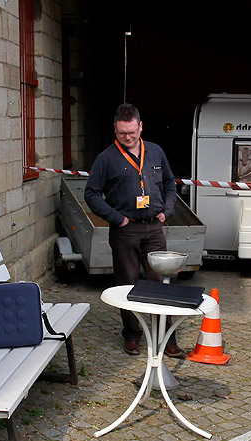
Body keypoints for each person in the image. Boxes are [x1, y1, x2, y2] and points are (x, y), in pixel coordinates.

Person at [84, 103, 184, 357]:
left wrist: (167, 210)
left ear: (140, 127)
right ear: (115, 130)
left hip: (154, 228)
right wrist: (116, 218)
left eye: (131, 132)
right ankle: (131, 335)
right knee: (127, 284)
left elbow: (170, 183)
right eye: (122, 133)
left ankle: (166, 338)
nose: (128, 137)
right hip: (125, 230)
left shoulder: (156, 152)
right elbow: (91, 194)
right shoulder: (106, 158)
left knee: (159, 283)